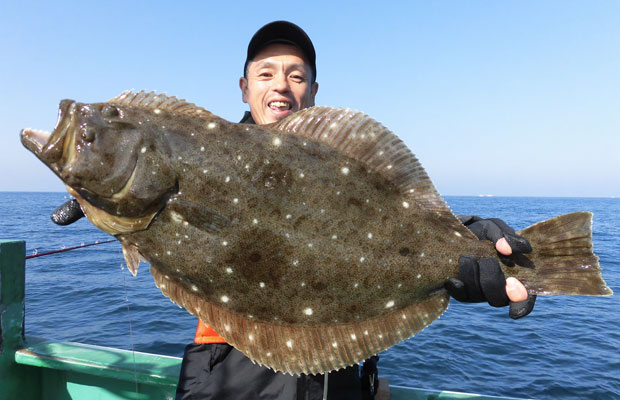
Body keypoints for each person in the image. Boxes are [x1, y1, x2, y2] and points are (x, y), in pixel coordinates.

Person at [50, 20, 536, 400]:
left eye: (296, 75)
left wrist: (465, 238)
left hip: (339, 383)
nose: (281, 86)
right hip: (228, 381)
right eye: (266, 74)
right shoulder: (194, 155)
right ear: (244, 89)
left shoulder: (338, 169)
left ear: (314, 91)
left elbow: (388, 222)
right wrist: (101, 193)